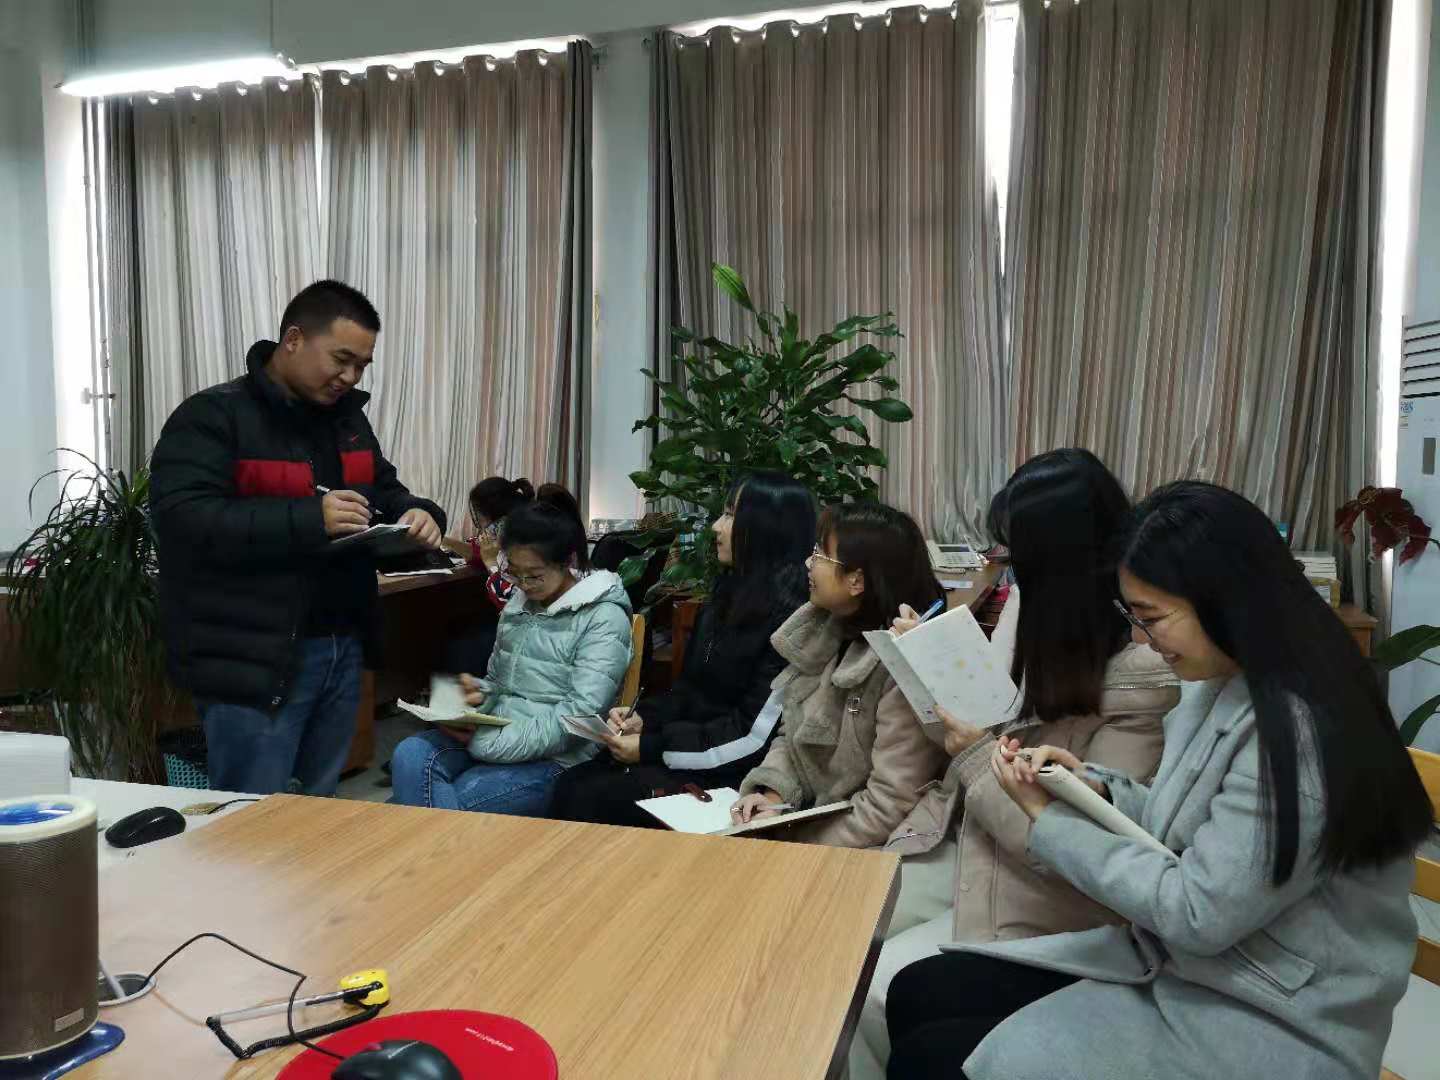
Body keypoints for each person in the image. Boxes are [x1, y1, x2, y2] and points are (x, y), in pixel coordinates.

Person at [885, 482, 1433, 1080]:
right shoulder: (1224, 682)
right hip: (1203, 964)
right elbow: (1202, 830)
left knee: (932, 1056)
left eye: (1151, 618)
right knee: (920, 991)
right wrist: (1094, 788)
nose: (1141, 639)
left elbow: (1196, 912)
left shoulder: (1301, 736)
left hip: (1271, 1014)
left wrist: (1050, 821)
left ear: (1225, 598)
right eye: (1133, 617)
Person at [849, 450, 1178, 1079]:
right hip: (973, 842)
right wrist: (931, 667)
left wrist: (976, 753)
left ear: (1057, 567)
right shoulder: (1034, 619)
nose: (1002, 574)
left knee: (865, 986)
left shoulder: (1140, 679)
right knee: (839, 931)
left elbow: (1073, 847)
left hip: (1045, 899)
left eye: (1014, 560)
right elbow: (980, 728)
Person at [151, 279, 445, 796]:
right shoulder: (213, 416)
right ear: (293, 339)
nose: (350, 377)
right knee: (251, 814)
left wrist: (417, 512)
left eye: (362, 366)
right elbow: (182, 519)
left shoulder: (348, 421)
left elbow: (382, 489)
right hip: (254, 657)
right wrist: (309, 519)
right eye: (341, 359)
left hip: (341, 645)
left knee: (320, 809)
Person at [549, 472, 815, 826]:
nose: (716, 527)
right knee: (574, 783)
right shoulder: (724, 598)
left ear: (767, 529)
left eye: (730, 516)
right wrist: (645, 718)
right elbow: (688, 693)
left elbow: (752, 738)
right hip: (688, 754)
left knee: (593, 797)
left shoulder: (793, 623)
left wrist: (652, 746)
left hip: (733, 775)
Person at [390, 499, 633, 815]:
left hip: (561, 758)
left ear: (568, 560)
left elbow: (579, 718)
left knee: (453, 798)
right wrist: (476, 695)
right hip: (499, 734)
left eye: (534, 575)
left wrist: (489, 743)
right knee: (410, 753)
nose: (523, 585)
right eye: (514, 573)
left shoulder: (602, 617)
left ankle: (423, 836)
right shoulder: (520, 603)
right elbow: (499, 683)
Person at [729, 502, 950, 845]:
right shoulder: (826, 632)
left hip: (865, 846)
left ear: (856, 580)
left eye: (820, 554)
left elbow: (887, 807)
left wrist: (793, 840)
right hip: (808, 823)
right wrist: (772, 796)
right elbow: (793, 734)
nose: (808, 563)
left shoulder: (902, 666)